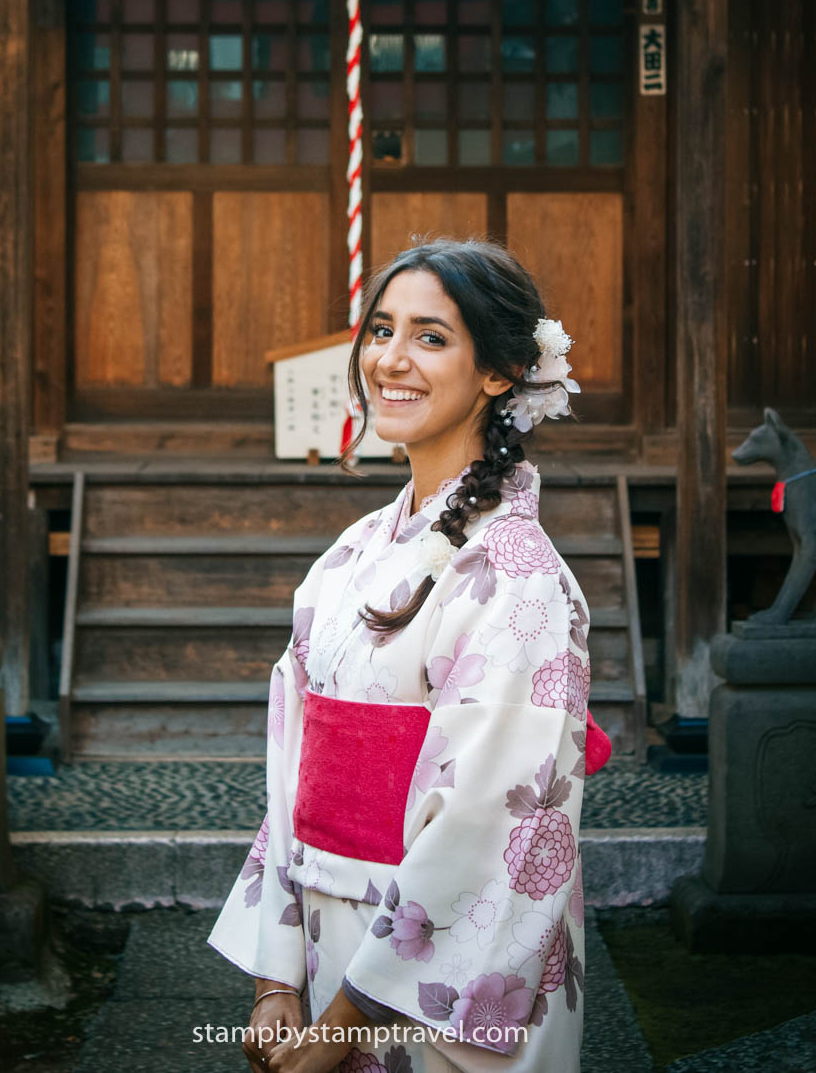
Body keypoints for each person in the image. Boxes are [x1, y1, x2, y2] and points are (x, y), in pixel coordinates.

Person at [208, 238, 598, 1073]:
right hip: (326, 935)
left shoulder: (520, 579)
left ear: (500, 371)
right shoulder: (354, 552)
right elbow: (293, 770)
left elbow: (487, 829)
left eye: (430, 337)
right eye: (382, 330)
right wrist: (277, 980)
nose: (390, 358)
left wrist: (341, 1027)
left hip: (429, 979)